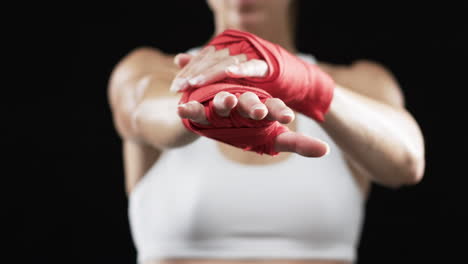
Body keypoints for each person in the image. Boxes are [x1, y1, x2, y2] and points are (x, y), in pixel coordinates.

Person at [108, 0, 425, 263]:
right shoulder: (150, 71)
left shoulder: (358, 84)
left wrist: (310, 86)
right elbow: (142, 110)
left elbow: (407, 160)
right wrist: (198, 106)